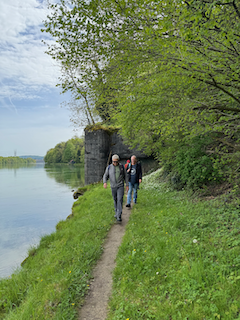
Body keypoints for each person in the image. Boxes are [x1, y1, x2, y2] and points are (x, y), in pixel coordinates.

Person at [103, 154, 129, 222]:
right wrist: (105, 182)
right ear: (112, 161)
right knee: (115, 199)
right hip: (113, 186)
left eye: (116, 161)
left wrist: (127, 185)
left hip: (120, 186)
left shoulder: (122, 167)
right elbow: (105, 175)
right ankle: (116, 211)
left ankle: (119, 215)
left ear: (118, 161)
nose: (115, 163)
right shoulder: (109, 167)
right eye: (113, 161)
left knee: (120, 199)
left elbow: (126, 176)